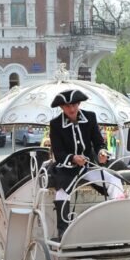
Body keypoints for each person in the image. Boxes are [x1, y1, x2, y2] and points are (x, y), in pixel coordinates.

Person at [47, 88, 105, 233]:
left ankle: (115, 223)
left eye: (74, 105)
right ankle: (63, 231)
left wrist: (102, 152)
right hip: (66, 168)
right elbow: (58, 153)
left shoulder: (90, 117)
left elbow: (98, 143)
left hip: (88, 166)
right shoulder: (55, 124)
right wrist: (73, 158)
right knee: (62, 192)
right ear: (61, 107)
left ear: (79, 104)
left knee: (113, 182)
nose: (71, 109)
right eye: (67, 106)